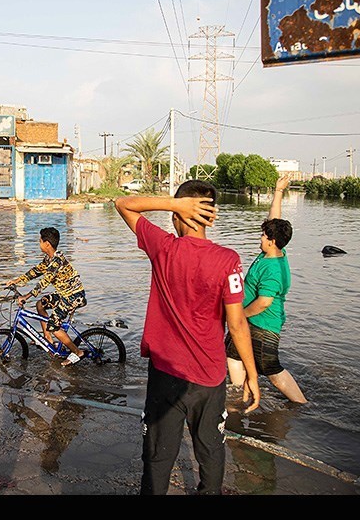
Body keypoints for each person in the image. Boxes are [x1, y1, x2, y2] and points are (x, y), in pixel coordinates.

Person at [115, 181, 260, 495]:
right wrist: (251, 374)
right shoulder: (228, 260)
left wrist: (173, 204)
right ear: (210, 216)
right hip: (209, 379)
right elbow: (237, 325)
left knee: (157, 458)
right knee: (210, 450)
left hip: (166, 374)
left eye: (178, 211)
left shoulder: (163, 247)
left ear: (178, 214)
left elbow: (123, 203)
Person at [226, 174, 307, 404]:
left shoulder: (272, 269)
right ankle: (238, 395)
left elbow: (264, 302)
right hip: (249, 322)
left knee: (272, 370)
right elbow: (274, 220)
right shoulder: (272, 252)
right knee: (233, 353)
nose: (260, 237)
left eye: (263, 235)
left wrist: (238, 315)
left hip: (263, 324)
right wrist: (278, 191)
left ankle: (302, 405)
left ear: (271, 240)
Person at [7, 227, 88, 367]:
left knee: (53, 326)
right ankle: (48, 339)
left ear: (47, 244)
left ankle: (77, 352)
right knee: (41, 304)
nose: (39, 243)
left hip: (73, 296)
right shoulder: (49, 258)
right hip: (64, 293)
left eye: (40, 241)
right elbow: (36, 271)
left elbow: (44, 281)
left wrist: (26, 296)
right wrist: (17, 281)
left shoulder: (57, 261)